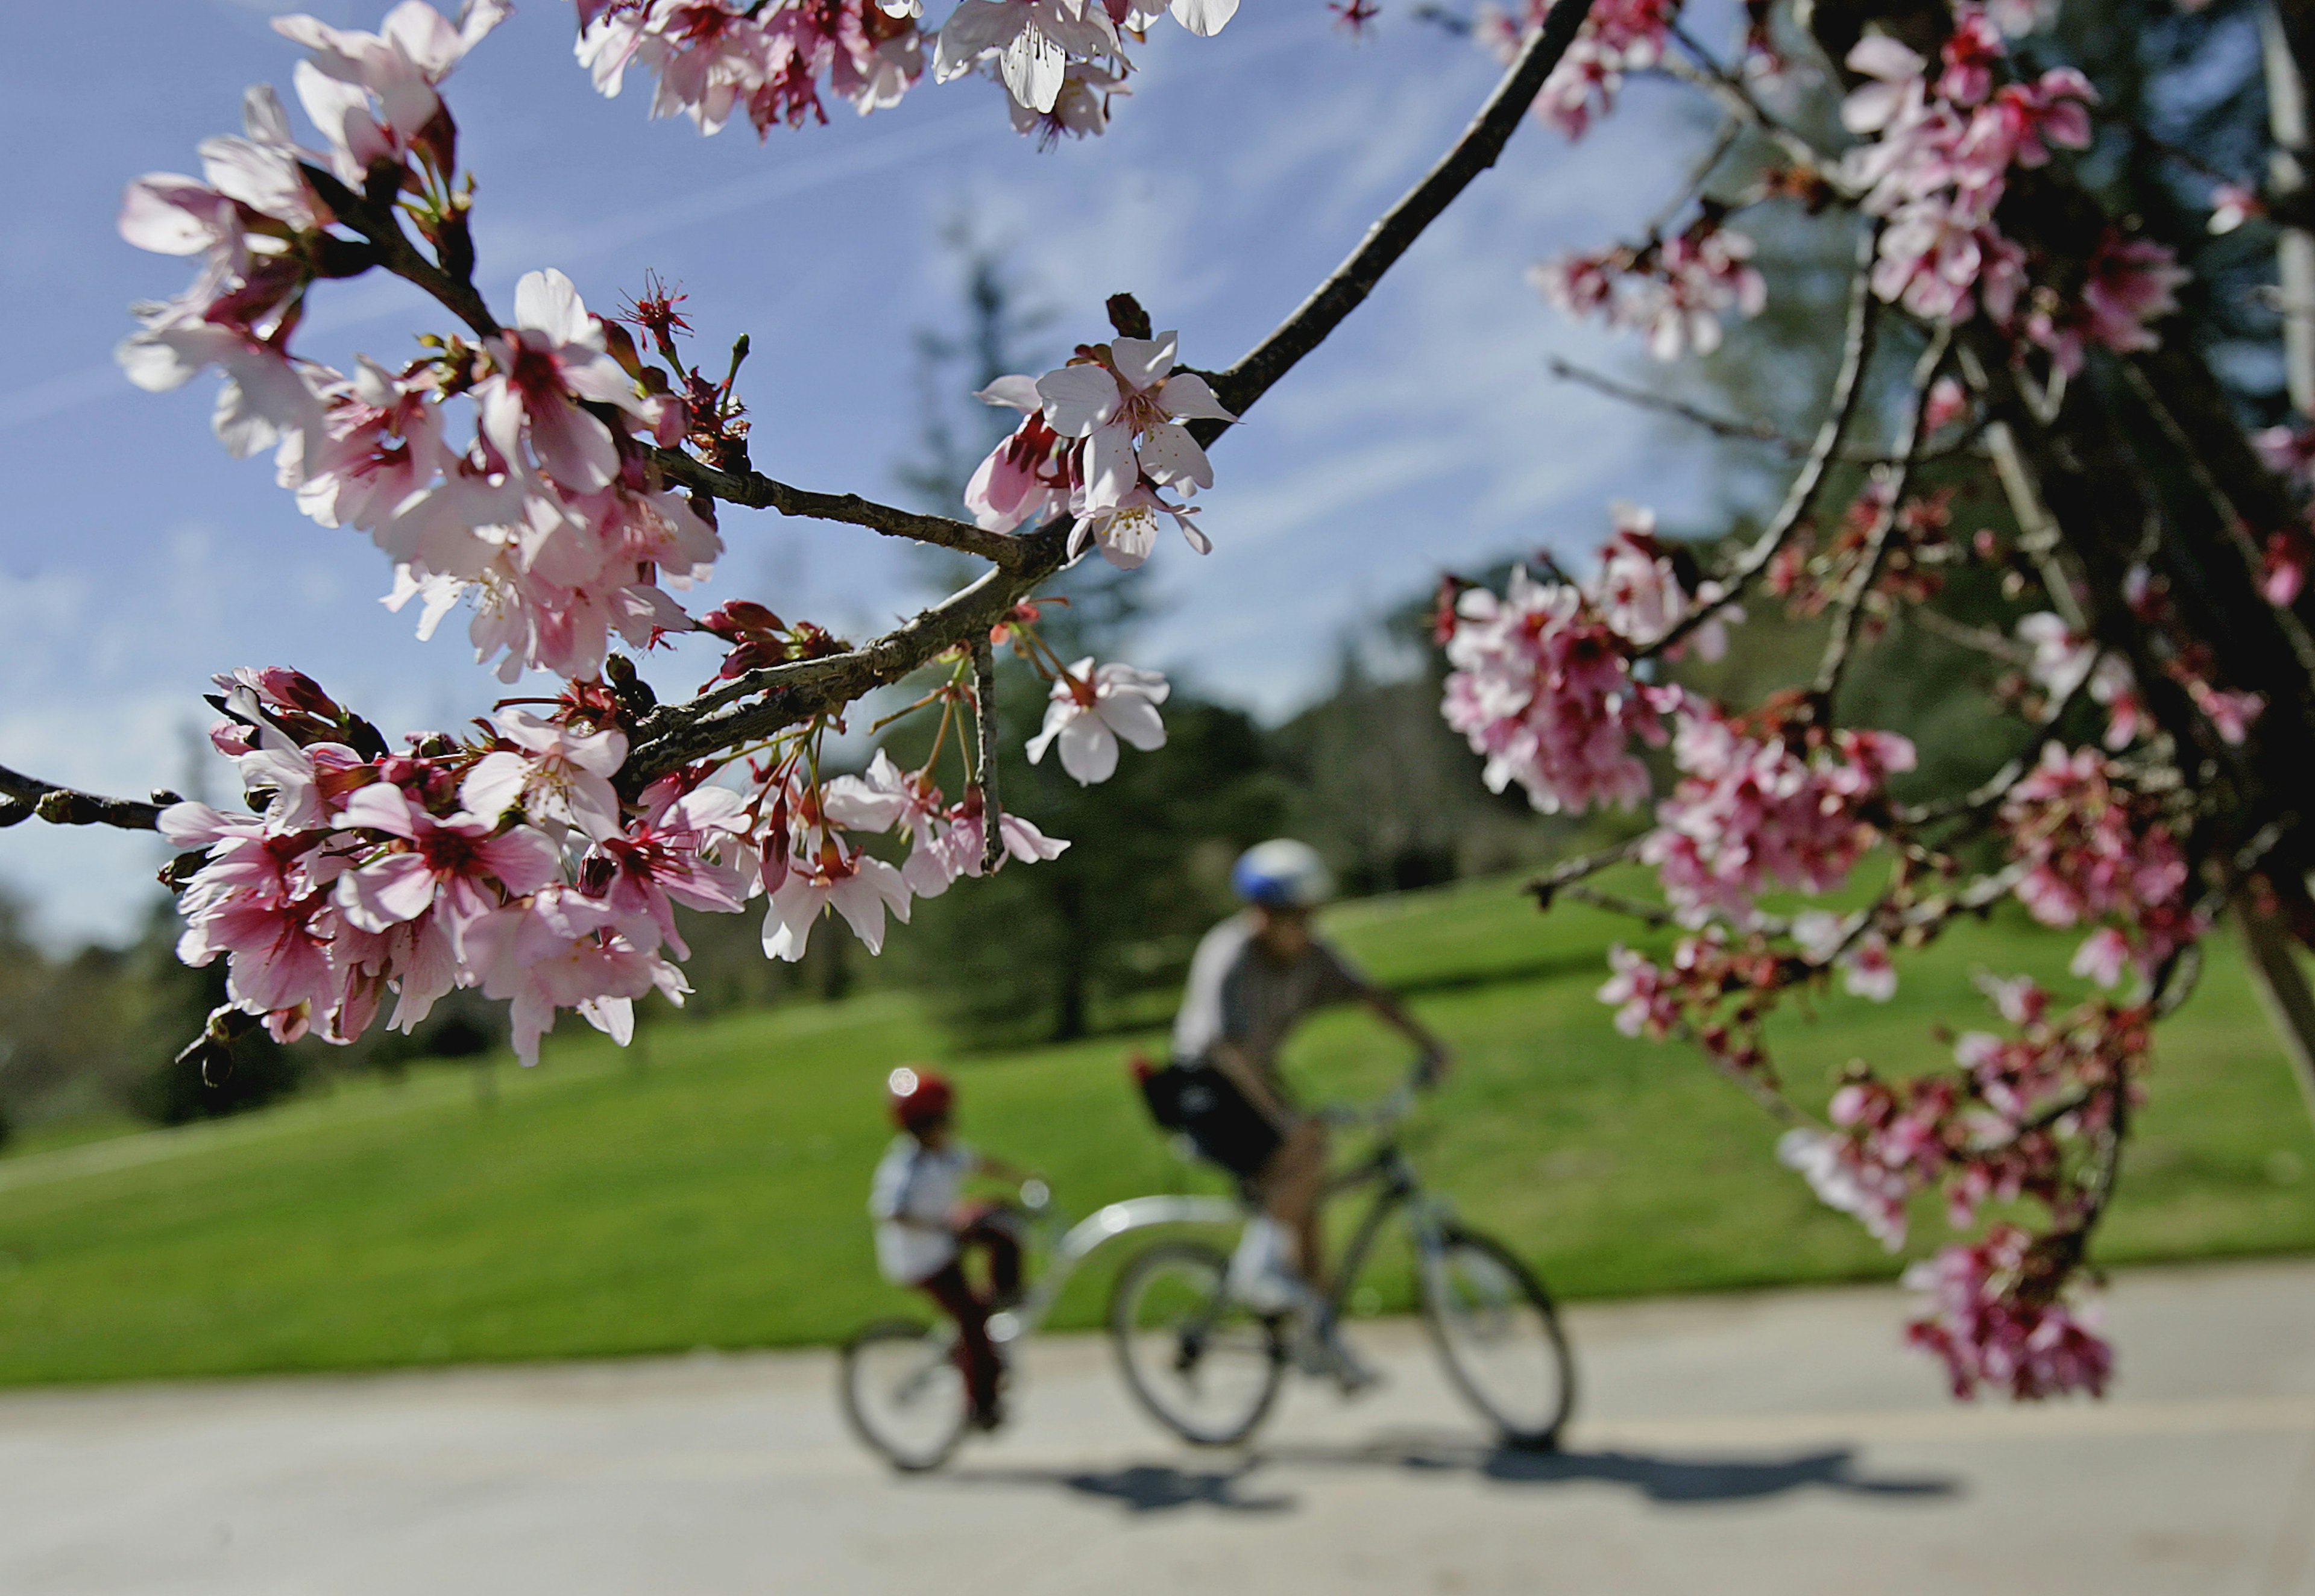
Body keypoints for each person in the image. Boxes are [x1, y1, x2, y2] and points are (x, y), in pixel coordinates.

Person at [1169, 838, 1451, 1382]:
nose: (1305, 927)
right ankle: (1259, 1274)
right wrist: (1282, 1117)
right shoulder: (1229, 953)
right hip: (1204, 1086)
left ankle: (1318, 1333)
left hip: (1255, 1080)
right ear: (1262, 915)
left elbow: (1371, 996)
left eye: (1309, 915)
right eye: (1293, 917)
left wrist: (1429, 1045)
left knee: (1309, 1201)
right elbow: (1231, 1049)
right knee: (1306, 1145)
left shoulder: (1312, 955)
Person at [868, 1066, 1033, 1431]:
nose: (951, 1126)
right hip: (921, 1261)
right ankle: (982, 1404)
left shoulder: (943, 1152)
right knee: (972, 1321)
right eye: (944, 1120)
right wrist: (943, 1225)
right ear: (922, 1126)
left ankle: (1005, 1292)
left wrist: (1023, 1180)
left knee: (999, 1219)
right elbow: (890, 1213)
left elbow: (979, 1163)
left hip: (944, 1241)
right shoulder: (905, 1169)